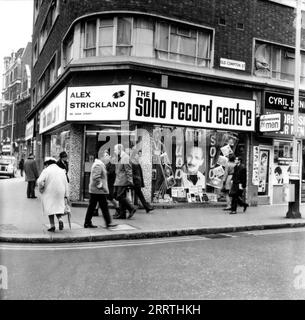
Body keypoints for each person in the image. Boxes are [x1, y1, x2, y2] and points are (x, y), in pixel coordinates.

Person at [84, 152, 117, 229]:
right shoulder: (98, 165)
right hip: (97, 190)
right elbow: (96, 178)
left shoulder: (100, 164)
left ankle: (88, 222)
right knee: (101, 206)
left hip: (97, 190)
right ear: (102, 157)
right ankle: (108, 222)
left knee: (95, 206)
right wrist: (103, 187)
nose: (108, 158)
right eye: (106, 156)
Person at [37, 157, 69, 232]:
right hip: (60, 192)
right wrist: (66, 194)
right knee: (57, 207)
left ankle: (52, 226)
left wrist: (41, 188)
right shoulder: (61, 170)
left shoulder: (46, 170)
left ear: (47, 164)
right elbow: (66, 183)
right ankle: (60, 220)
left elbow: (40, 181)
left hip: (49, 192)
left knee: (50, 208)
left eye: (46, 165)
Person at [113, 144, 136, 219]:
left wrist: (130, 181)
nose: (114, 151)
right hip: (119, 180)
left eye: (115, 150)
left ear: (120, 150)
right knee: (120, 196)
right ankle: (122, 214)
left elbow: (129, 170)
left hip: (123, 181)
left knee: (120, 196)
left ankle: (131, 208)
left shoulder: (125, 157)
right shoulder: (120, 157)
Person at [103, 150, 120, 218]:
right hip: (107, 183)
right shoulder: (106, 163)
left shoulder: (112, 163)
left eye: (106, 155)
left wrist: (104, 172)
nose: (105, 157)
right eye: (104, 155)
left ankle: (118, 210)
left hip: (111, 183)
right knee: (106, 197)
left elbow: (111, 172)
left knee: (110, 197)